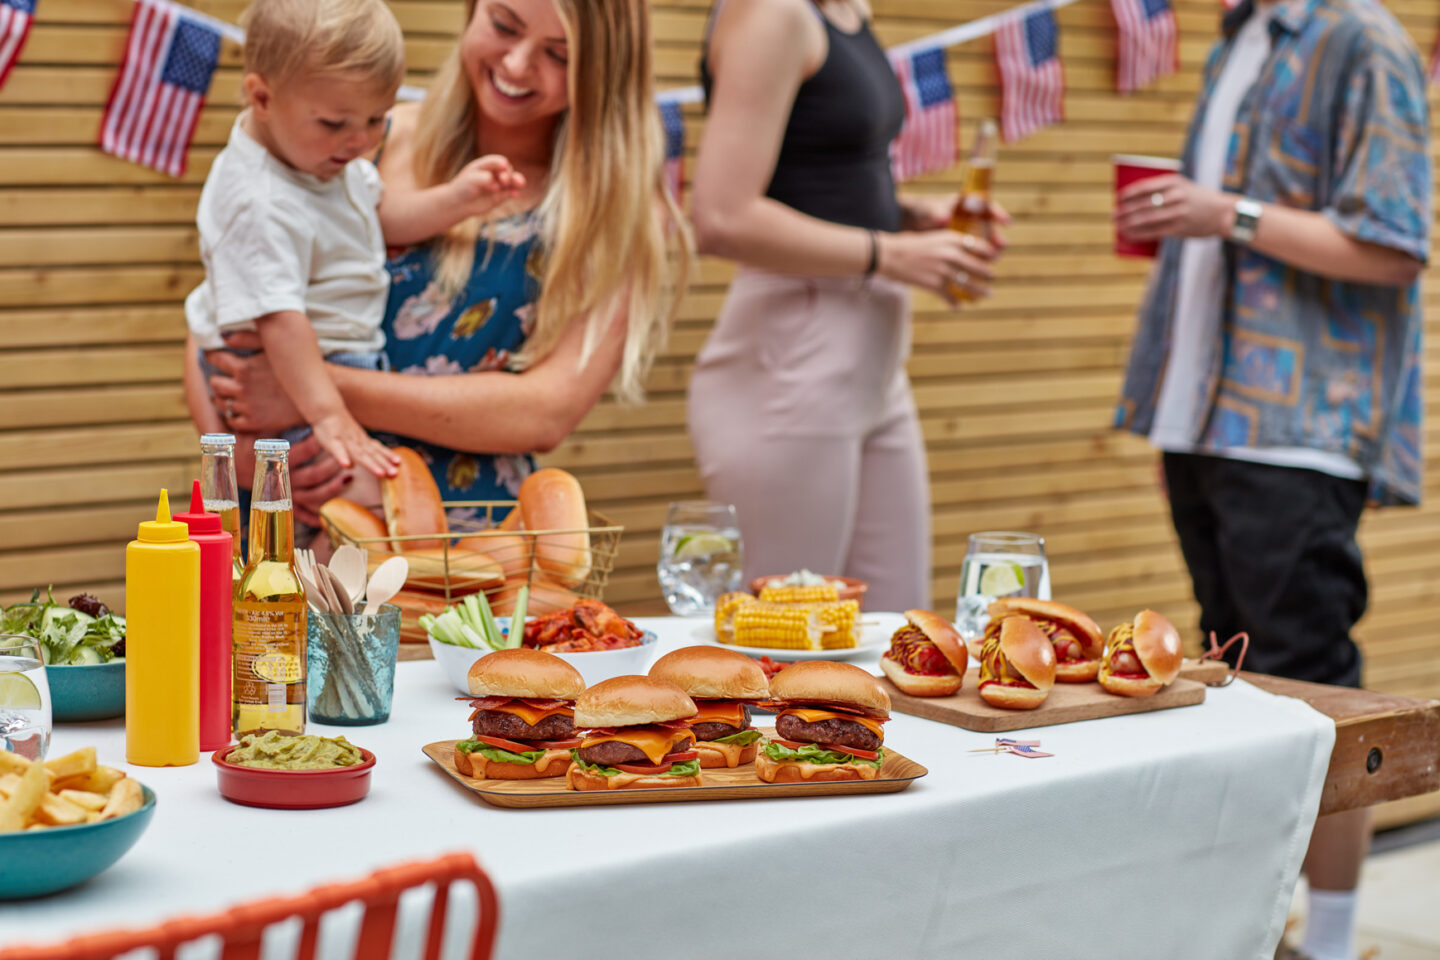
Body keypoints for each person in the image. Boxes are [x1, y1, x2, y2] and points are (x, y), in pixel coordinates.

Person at [1112, 1, 1431, 958]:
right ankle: (1267, 932)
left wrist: (1228, 212)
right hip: (1201, 413)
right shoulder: (1238, 37)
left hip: (1299, 429)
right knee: (1239, 686)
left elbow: (1394, 242)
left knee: (1315, 687)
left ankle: (1331, 945)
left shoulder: (1362, 37)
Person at [191, 0, 691, 532]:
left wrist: (310, 389)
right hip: (287, 495)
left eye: (559, 55)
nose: (518, 65)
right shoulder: (356, 131)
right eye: (504, 25)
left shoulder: (619, 211)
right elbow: (228, 303)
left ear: (604, 69)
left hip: (457, 533)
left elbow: (546, 412)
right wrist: (241, 462)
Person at [687, 0, 1003, 611]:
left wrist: (908, 218)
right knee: (784, 636)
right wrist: (887, 253)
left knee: (894, 630)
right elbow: (721, 217)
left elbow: (817, 174)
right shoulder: (772, 14)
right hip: (795, 350)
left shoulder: (846, 9)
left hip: (872, 362)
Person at [184, 0, 527, 485]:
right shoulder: (259, 199)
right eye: (334, 123)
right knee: (350, 498)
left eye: (377, 119)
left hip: (322, 363)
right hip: (286, 366)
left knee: (342, 507)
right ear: (261, 97)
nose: (359, 141)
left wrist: (456, 200)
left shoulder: (318, 162)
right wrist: (328, 414)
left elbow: (376, 219)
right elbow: (280, 320)